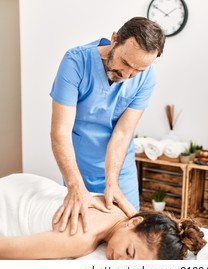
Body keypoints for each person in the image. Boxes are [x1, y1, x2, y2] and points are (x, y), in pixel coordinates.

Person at [49, 17, 166, 236]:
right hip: (78, 168)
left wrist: (112, 183)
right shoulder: (75, 62)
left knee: (130, 234)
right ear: (115, 39)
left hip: (120, 171)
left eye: (137, 70)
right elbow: (60, 132)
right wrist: (75, 185)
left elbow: (122, 133)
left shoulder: (147, 77)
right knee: (81, 234)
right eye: (126, 63)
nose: (127, 75)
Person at [0, 171, 206, 260]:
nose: (121, 261)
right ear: (135, 222)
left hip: (7, 184)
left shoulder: (120, 206)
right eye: (130, 252)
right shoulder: (82, 238)